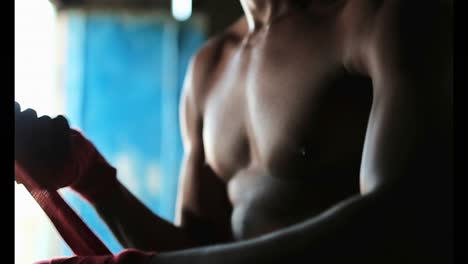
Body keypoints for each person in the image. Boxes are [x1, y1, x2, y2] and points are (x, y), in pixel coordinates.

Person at [15, 0, 453, 263]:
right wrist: (93, 179)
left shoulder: (378, 19)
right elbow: (192, 251)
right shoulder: (209, 68)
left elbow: (398, 218)